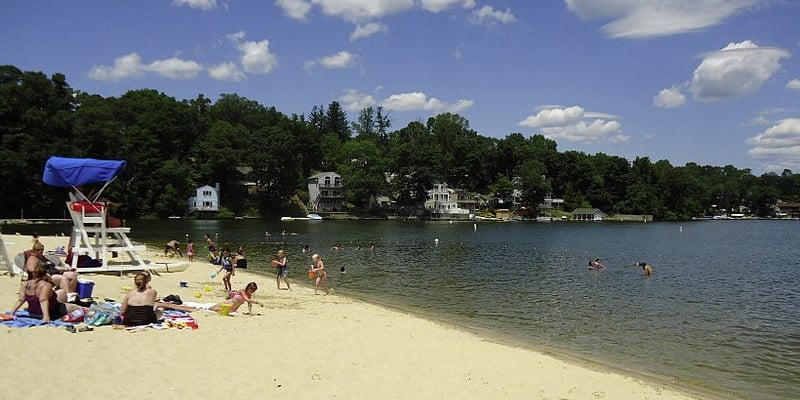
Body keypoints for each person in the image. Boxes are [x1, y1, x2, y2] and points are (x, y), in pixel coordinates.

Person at [9, 262, 79, 322]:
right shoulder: (45, 285)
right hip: (50, 312)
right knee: (76, 308)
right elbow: (43, 300)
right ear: (46, 274)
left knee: (61, 295)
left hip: (32, 312)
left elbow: (21, 299)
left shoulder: (25, 284)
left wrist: (12, 313)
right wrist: (46, 316)